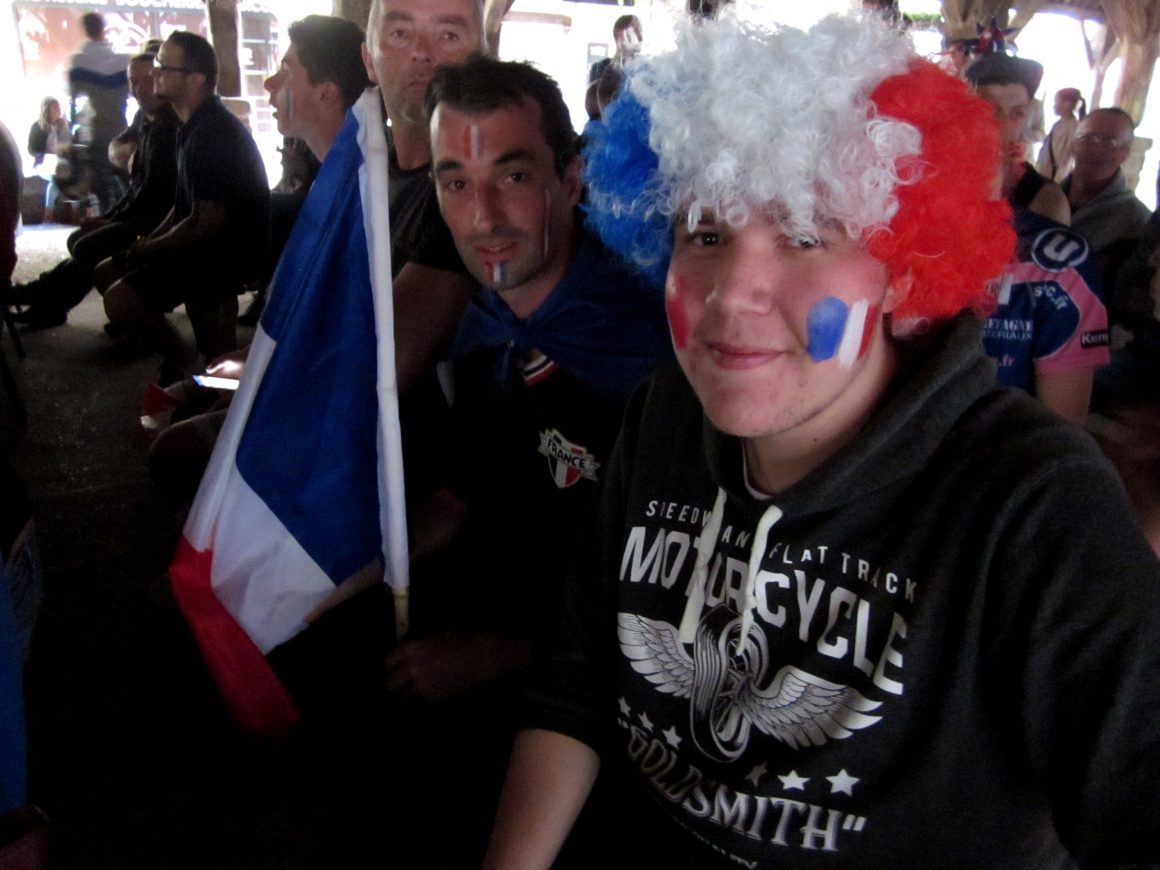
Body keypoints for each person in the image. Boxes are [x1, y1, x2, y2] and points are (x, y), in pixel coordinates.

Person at [484, 14, 1160, 869]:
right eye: (706, 235)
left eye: (805, 236)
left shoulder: (1034, 503)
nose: (734, 291)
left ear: (901, 272)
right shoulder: (664, 418)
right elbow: (577, 682)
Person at [146, 15, 370, 503]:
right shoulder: (333, 176)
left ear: (327, 93)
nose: (269, 84)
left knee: (171, 447)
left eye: (286, 70)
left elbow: (342, 343)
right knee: (191, 391)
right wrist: (250, 356)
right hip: (293, 364)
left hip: (327, 399)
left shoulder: (361, 188)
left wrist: (256, 372)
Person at [94, 32, 269, 384]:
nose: (154, 72)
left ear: (196, 79)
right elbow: (181, 204)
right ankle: (187, 364)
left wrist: (149, 249)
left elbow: (206, 224)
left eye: (163, 66)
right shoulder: (187, 123)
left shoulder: (212, 133)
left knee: (121, 300)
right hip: (203, 239)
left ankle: (189, 366)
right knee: (107, 271)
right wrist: (148, 242)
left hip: (225, 250)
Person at [11, 53, 178, 328]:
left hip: (161, 222)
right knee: (82, 241)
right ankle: (46, 300)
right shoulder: (143, 117)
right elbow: (119, 152)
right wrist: (110, 215)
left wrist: (111, 220)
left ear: (162, 78)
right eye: (133, 81)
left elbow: (155, 196)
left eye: (147, 79)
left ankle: (42, 296)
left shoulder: (170, 124)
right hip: (143, 210)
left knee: (86, 246)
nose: (139, 88)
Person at [965, 51, 1070, 225]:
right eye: (989, 111)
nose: (1004, 125)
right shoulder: (936, 182)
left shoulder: (1046, 202)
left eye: (1017, 113)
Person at [1063, 107, 1151, 309]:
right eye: (1089, 138)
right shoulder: (1042, 200)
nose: (1097, 149)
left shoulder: (1138, 222)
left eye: (1111, 143)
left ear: (1125, 154)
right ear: (1074, 144)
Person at [67, 12, 130, 213]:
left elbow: (73, 100)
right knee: (128, 190)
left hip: (96, 133)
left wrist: (71, 135)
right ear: (104, 28)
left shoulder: (78, 61)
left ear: (85, 30)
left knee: (102, 196)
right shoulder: (123, 61)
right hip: (122, 131)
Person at [585, 15, 642, 120]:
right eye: (634, 32)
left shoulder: (645, 69)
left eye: (639, 32)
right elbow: (594, 109)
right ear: (619, 36)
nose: (640, 37)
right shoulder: (600, 68)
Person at [27, 97, 73, 223]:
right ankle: (50, 214)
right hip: (44, 164)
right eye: (55, 107)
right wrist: (46, 153)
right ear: (47, 109)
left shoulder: (65, 125)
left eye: (59, 107)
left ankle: (71, 213)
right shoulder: (37, 127)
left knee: (69, 176)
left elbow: (72, 144)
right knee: (57, 178)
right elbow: (31, 149)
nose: (58, 109)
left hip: (62, 163)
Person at [1036, 87, 1085, 182]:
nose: (1054, 106)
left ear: (1067, 104)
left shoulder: (1073, 127)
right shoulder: (1058, 124)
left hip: (1053, 178)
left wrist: (1057, 180)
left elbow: (1067, 158)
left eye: (1056, 102)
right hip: (1044, 175)